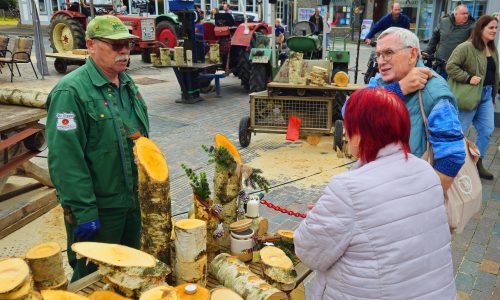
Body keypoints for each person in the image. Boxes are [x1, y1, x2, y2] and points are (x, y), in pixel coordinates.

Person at [295, 88, 456, 299]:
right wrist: (332, 216)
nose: (344, 133)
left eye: (348, 126)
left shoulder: (348, 189)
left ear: (360, 134)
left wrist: (320, 219)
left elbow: (309, 251)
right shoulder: (425, 171)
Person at [46, 15, 150, 282]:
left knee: (129, 274)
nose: (124, 51)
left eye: (127, 44)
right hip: (100, 212)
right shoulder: (70, 93)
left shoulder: (127, 85)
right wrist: (84, 212)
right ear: (90, 45)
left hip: (131, 204)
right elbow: (66, 161)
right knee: (93, 279)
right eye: (115, 45)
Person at [365, 27, 465, 192]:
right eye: (378, 54)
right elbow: (350, 112)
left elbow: (452, 158)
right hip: (379, 185)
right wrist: (397, 90)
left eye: (388, 52)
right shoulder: (382, 81)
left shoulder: (434, 93)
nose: (381, 61)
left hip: (407, 192)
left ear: (412, 54)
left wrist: (421, 199)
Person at [446, 15, 499, 180]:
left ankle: (477, 161)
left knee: (487, 130)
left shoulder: (492, 48)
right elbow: (450, 66)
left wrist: (493, 94)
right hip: (468, 96)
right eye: (491, 27)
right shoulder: (466, 47)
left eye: (496, 28)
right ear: (481, 28)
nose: (494, 31)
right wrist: (468, 77)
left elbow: (493, 73)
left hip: (486, 96)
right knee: (459, 132)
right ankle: (452, 164)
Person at [423, 4, 474, 78]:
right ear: (455, 14)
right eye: (463, 14)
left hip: (458, 68)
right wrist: (427, 52)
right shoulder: (444, 22)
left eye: (467, 13)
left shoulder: (472, 26)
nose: (466, 16)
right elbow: (435, 38)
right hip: (440, 65)